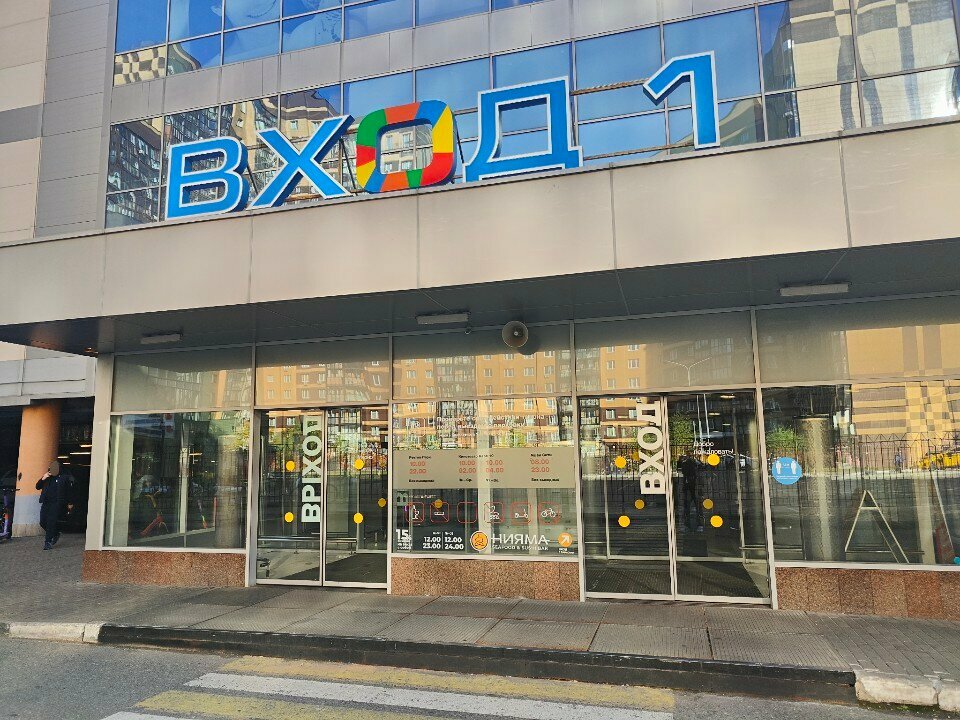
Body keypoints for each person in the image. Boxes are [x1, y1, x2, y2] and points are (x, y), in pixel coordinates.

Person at [36, 461, 66, 550]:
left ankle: (47, 542)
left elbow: (67, 491)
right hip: (46, 502)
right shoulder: (47, 477)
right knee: (42, 522)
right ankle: (55, 533)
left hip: (56, 503)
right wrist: (43, 478)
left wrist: (69, 502)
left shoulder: (63, 478)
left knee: (50, 522)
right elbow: (37, 487)